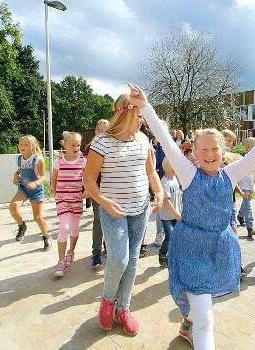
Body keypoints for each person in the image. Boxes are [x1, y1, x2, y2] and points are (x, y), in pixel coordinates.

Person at [131, 83, 255, 349]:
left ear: (223, 151)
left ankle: (187, 324)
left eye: (215, 149)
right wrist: (145, 106)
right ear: (194, 151)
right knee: (206, 315)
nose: (209, 154)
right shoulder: (188, 172)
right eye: (203, 150)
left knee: (203, 303)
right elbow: (167, 141)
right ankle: (194, 325)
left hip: (219, 248)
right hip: (191, 248)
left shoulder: (231, 174)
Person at [83, 93, 163, 335]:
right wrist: (104, 202)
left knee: (133, 261)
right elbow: (88, 179)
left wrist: (158, 191)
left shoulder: (143, 140)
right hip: (112, 210)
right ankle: (108, 300)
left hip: (140, 209)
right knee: (119, 259)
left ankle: (123, 309)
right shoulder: (102, 142)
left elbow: (151, 173)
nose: (141, 120)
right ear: (123, 112)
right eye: (137, 114)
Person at [51, 132, 87, 277]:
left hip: (77, 199)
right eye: (73, 145)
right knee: (64, 227)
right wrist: (54, 190)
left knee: (74, 230)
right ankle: (61, 262)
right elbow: (54, 177)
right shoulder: (58, 161)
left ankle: (71, 252)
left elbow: (87, 178)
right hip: (62, 199)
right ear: (64, 144)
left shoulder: (83, 160)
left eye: (78, 145)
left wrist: (88, 191)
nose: (76, 147)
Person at [9, 135, 52, 250]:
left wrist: (35, 183)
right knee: (13, 207)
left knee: (37, 217)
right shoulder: (19, 158)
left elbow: (43, 176)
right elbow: (20, 170)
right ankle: (22, 226)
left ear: (32, 146)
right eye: (21, 144)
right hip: (23, 188)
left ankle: (46, 237)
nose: (22, 147)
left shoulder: (38, 159)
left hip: (36, 190)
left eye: (26, 144)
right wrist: (15, 177)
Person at [84, 119, 110, 268]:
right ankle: (96, 254)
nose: (101, 133)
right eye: (98, 130)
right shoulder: (90, 148)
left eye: (104, 130)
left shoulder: (113, 145)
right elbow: (85, 169)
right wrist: (87, 187)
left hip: (112, 189)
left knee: (112, 220)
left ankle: (109, 247)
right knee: (99, 221)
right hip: (97, 189)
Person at [158, 158, 182, 267]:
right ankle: (162, 254)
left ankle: (173, 257)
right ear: (169, 167)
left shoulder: (175, 179)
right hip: (167, 216)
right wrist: (177, 215)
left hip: (176, 214)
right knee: (170, 236)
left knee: (176, 236)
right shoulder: (164, 182)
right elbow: (167, 202)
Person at [237, 137, 255, 238]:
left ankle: (240, 215)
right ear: (249, 146)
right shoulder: (244, 159)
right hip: (245, 184)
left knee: (245, 202)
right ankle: (250, 227)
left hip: (251, 184)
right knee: (248, 205)